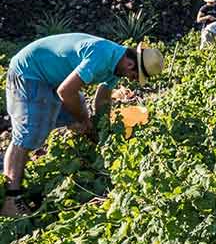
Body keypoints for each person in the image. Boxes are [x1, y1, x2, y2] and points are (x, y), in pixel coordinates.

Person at [3, 34, 164, 216]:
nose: (131, 79)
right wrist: (84, 120)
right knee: (28, 134)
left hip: (53, 78)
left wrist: (100, 129)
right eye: (134, 76)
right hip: (29, 72)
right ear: (130, 64)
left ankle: (77, 160)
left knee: (77, 118)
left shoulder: (117, 64)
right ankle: (11, 199)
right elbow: (65, 92)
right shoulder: (101, 55)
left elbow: (102, 99)